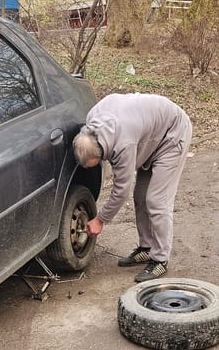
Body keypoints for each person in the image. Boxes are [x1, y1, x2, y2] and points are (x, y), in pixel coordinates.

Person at [73, 92, 192, 282]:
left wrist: (100, 219)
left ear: (101, 153)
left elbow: (121, 191)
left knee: (156, 200)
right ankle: (146, 248)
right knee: (140, 196)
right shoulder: (92, 119)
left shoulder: (123, 144)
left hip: (171, 134)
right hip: (150, 135)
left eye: (93, 164)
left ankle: (160, 259)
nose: (90, 168)